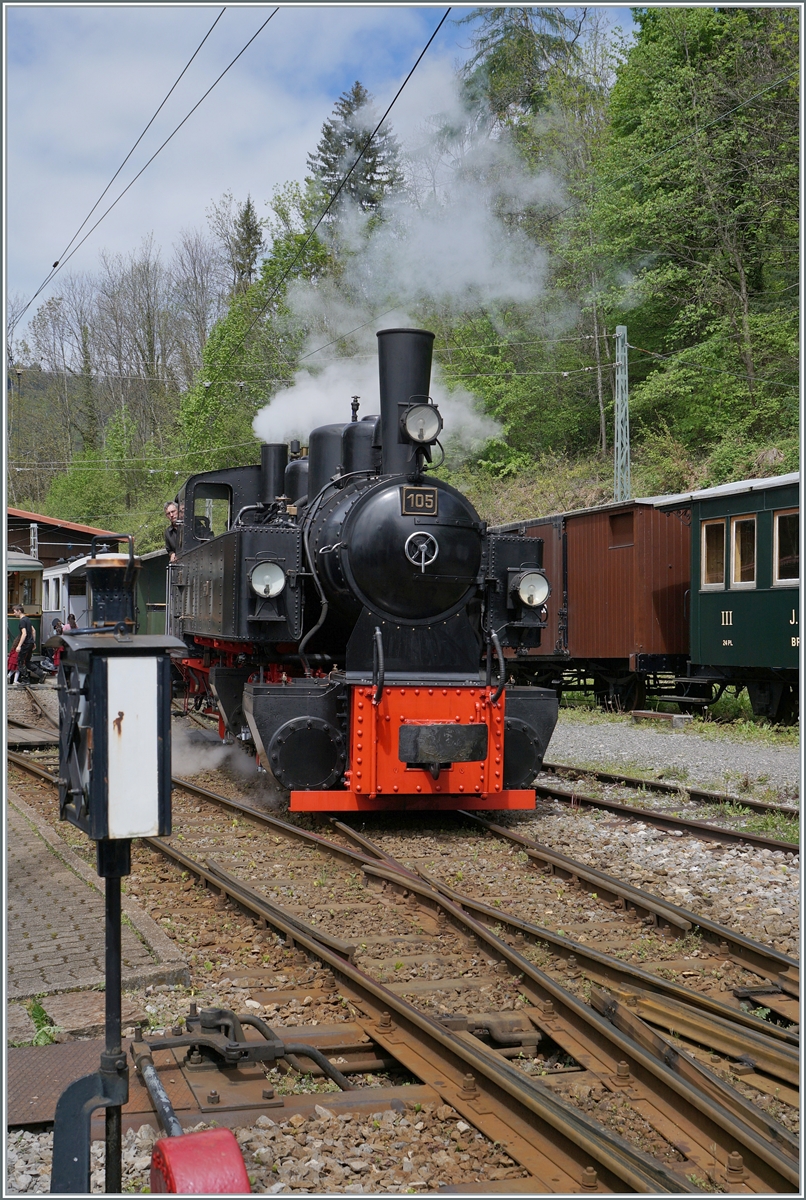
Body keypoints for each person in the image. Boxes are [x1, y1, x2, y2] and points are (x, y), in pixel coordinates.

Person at [12, 605, 35, 684]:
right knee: (26, 661)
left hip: (26, 643)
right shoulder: (28, 619)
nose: (14, 614)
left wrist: (19, 645)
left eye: (15, 612)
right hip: (30, 643)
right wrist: (33, 642)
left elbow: (24, 634)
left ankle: (25, 679)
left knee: (20, 661)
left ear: (19, 611)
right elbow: (33, 630)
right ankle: (39, 675)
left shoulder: (22, 621)